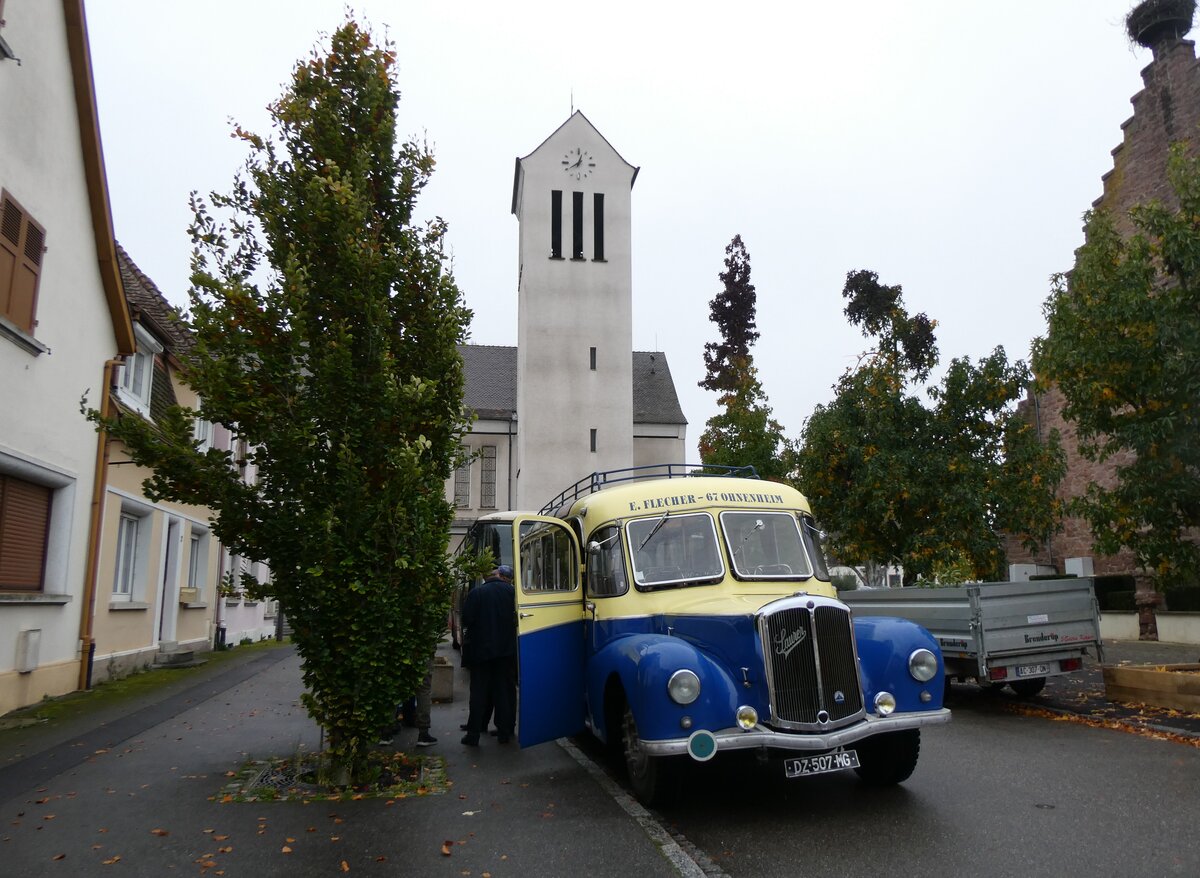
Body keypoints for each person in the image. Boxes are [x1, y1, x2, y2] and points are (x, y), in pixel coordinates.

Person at [460, 564, 517, 746]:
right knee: (502, 691)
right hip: (505, 652)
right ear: (501, 577)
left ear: (488, 577)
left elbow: (466, 619)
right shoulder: (512, 592)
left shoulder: (477, 593)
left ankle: (473, 734)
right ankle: (504, 733)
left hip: (481, 652)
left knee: (478, 693)